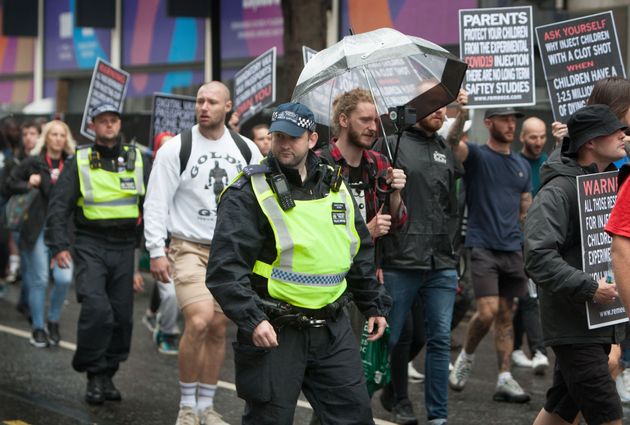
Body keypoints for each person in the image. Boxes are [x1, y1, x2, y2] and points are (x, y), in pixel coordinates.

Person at [206, 102, 390, 425]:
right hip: (276, 329)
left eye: (293, 137)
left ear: (313, 139)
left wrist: (373, 305)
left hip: (332, 328)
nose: (284, 144)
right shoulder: (248, 191)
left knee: (355, 417)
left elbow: (357, 250)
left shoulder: (335, 185)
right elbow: (225, 270)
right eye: (278, 136)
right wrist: (253, 320)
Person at [144, 81, 262, 425]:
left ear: (228, 107)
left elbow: (260, 200)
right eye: (200, 101)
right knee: (199, 320)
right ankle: (185, 405)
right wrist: (155, 250)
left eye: (212, 101)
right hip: (188, 249)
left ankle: (206, 407)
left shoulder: (247, 149)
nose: (204, 106)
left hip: (230, 252)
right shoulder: (176, 148)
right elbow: (156, 203)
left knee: (219, 327)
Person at [525, 104, 627, 425]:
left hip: (598, 326)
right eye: (615, 131)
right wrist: (590, 287)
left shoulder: (608, 182)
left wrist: (614, 332)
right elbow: (538, 257)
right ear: (590, 143)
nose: (624, 134)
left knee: (561, 410)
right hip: (573, 329)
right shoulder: (558, 190)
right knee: (608, 415)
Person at [45, 104, 149, 405]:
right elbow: (59, 205)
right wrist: (59, 245)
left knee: (121, 317)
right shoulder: (79, 159)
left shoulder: (139, 159)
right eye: (103, 121)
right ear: (93, 126)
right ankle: (93, 374)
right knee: (96, 310)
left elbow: (152, 205)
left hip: (124, 246)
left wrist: (152, 251)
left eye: (113, 120)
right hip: (90, 243)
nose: (109, 125)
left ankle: (107, 375)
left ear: (119, 124)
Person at [373, 89, 466, 424]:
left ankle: (438, 417)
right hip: (400, 260)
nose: (441, 110)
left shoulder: (443, 147)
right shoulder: (392, 143)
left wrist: (454, 251)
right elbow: (375, 195)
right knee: (391, 338)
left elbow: (452, 203)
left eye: (445, 106)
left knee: (440, 341)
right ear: (415, 106)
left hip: (441, 262)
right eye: (433, 104)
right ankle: (363, 402)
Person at [448, 107, 532, 403]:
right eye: (505, 119)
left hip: (512, 249)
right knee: (487, 312)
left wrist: (529, 243)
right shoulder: (477, 155)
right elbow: (451, 143)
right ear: (489, 122)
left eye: (514, 120)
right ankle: (466, 357)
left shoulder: (522, 165)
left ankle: (505, 378)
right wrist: (461, 112)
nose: (511, 124)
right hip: (482, 245)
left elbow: (525, 208)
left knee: (507, 315)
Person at [5, 120, 76, 347]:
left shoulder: (73, 163)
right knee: (40, 280)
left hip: (63, 231)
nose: (57, 139)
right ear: (46, 137)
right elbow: (9, 182)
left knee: (64, 279)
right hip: (37, 228)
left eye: (61, 135)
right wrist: (29, 182)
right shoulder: (35, 162)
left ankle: (53, 320)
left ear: (66, 139)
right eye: (53, 134)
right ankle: (38, 327)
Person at [510, 117, 550, 374]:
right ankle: (539, 350)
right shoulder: (513, 164)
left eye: (542, 136)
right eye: (533, 137)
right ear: (522, 137)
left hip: (543, 238)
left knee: (525, 294)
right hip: (516, 239)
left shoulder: (548, 163)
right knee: (528, 295)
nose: (538, 142)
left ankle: (516, 347)